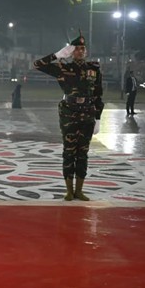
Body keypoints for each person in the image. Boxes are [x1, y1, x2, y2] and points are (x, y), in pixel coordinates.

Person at [33, 32, 104, 201]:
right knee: (69, 152)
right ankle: (69, 191)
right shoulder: (63, 68)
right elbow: (37, 65)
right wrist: (57, 55)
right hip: (69, 113)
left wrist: (98, 118)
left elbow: (98, 95)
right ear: (71, 51)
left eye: (82, 48)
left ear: (86, 51)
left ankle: (79, 190)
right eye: (76, 49)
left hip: (87, 113)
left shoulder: (93, 70)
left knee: (83, 153)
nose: (80, 51)